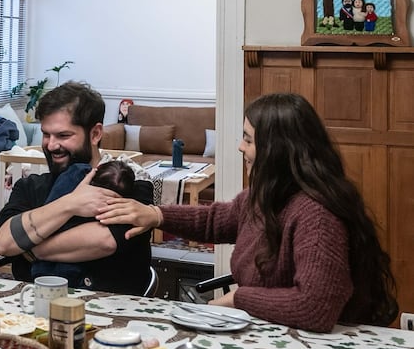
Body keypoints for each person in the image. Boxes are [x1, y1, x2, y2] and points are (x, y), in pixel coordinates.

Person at [97, 93, 398, 332]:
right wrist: (156, 215)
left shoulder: (317, 215)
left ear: (278, 149)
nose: (240, 147)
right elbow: (216, 220)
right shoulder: (267, 196)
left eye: (249, 139)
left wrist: (238, 298)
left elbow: (314, 307)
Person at [0, 82, 153, 295]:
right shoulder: (30, 185)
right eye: (46, 134)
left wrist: (30, 247)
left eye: (63, 135)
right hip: (32, 306)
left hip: (109, 309)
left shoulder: (128, 181)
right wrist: (70, 204)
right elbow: (4, 243)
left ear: (95, 134)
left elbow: (105, 241)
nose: (51, 145)